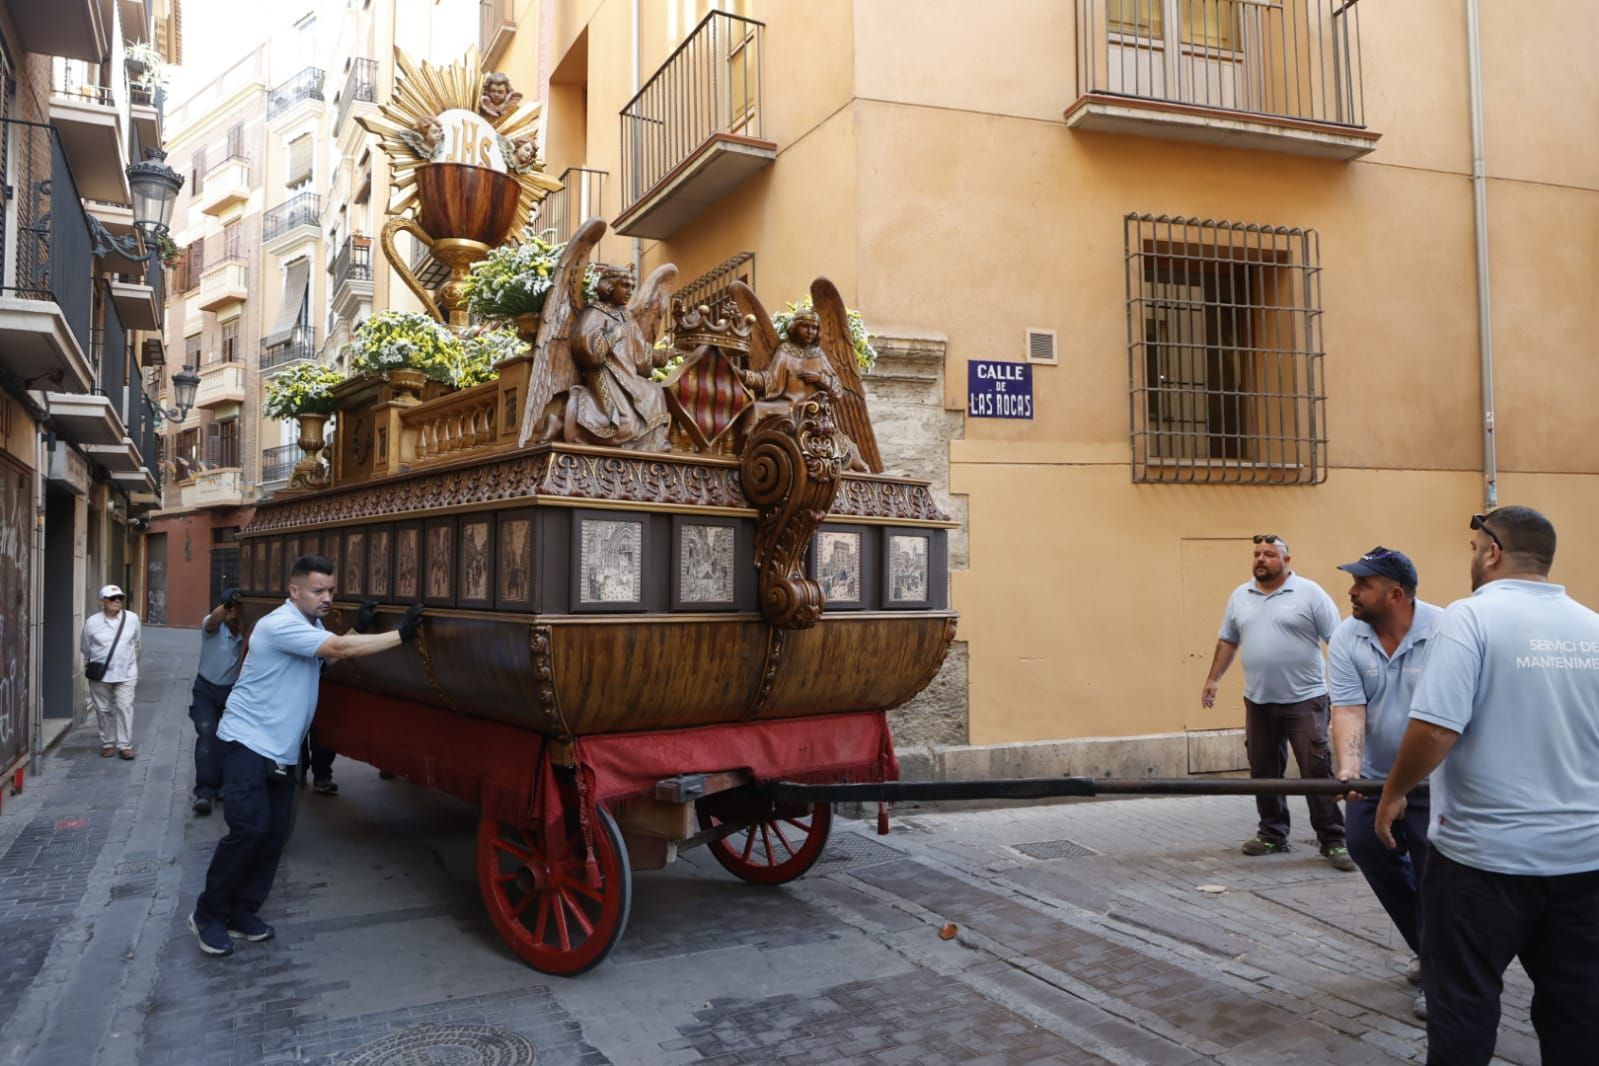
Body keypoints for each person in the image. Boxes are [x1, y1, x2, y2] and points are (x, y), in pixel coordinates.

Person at [1376, 507, 1599, 1065]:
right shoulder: (1593, 627)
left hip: (1482, 864)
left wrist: (1393, 792)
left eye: (1475, 546)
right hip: (1584, 863)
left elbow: (1432, 730)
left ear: (1493, 552)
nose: (1472, 557)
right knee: (1578, 1013)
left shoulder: (1468, 618)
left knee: (1463, 1007)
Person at [190, 555, 423, 957]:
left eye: (331, 591)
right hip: (246, 742)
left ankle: (242, 913)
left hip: (282, 749)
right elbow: (339, 648)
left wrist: (361, 626)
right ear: (294, 591)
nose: (327, 597)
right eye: (318, 591)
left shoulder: (309, 626)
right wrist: (400, 636)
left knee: (274, 834)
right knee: (248, 830)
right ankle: (208, 914)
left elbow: (326, 656)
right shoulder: (279, 624)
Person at [1328, 547, 1441, 1019]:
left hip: (1437, 781)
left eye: (1363, 583)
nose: (1351, 591)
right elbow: (1350, 708)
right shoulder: (1346, 634)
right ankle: (1429, 946)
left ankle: (1444, 977)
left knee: (1438, 877)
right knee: (1365, 845)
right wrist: (1350, 771)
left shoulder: (1446, 630)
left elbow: (1445, 718)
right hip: (1375, 776)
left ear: (1395, 594)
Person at [1202, 535, 1351, 869]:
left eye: (1269, 554)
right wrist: (1213, 679)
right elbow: (1228, 640)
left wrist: (1346, 690)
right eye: (1257, 554)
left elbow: (1338, 641)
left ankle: (1334, 840)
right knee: (1264, 770)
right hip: (1258, 700)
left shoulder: (1310, 594)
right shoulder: (1240, 596)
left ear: (1287, 559)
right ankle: (1273, 833)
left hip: (1305, 699)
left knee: (1315, 768)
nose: (1261, 559)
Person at [190, 588, 245, 815]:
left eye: (237, 610)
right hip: (205, 689)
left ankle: (224, 786)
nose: (233, 614)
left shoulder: (247, 634)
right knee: (207, 735)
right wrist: (227, 605)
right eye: (230, 609)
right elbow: (214, 619)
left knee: (228, 740)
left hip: (232, 692)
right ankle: (205, 792)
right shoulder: (212, 628)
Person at [81, 584, 142, 759]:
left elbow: (135, 639)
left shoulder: (132, 619)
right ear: (102, 601)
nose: (117, 601)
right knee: (103, 709)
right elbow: (85, 647)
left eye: (120, 598)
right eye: (112, 598)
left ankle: (125, 746)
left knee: (124, 707)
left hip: (127, 672)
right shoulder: (92, 623)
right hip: (101, 674)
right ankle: (108, 742)